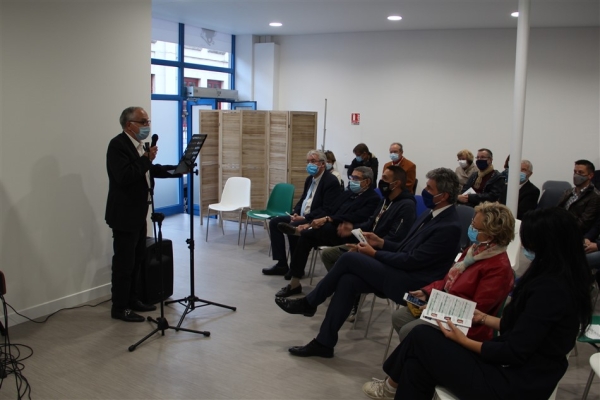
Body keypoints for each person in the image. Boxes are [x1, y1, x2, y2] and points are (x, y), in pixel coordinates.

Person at [363, 207, 593, 400]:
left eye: (528, 241)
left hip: (515, 383)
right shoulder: (552, 278)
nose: (523, 247)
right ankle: (391, 385)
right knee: (417, 360)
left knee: (421, 337)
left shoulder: (550, 290)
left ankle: (390, 385)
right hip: (511, 366)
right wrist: (482, 317)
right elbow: (523, 328)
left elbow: (513, 351)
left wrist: (462, 341)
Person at [274, 168, 461, 358]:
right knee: (348, 280)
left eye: (429, 188)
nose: (424, 192)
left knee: (349, 258)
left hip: (414, 286)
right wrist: (381, 243)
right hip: (401, 272)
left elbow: (412, 261)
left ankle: (309, 302)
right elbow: (405, 248)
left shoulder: (448, 226)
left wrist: (374, 254)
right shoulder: (431, 214)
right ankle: (324, 342)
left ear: (443, 195)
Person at [389, 201, 514, 349]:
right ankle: (419, 356)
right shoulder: (475, 250)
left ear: (491, 234)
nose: (471, 228)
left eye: (476, 227)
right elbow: (449, 280)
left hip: (464, 323)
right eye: (472, 223)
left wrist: (436, 308)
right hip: (446, 304)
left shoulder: (499, 268)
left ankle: (418, 360)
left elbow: (476, 310)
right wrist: (426, 292)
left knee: (410, 331)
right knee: (399, 318)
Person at [105, 106, 182, 322]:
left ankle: (133, 299)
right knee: (124, 263)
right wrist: (146, 158)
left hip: (139, 213)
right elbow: (125, 176)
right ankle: (119, 307)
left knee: (138, 259)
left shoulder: (139, 146)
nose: (147, 125)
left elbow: (150, 171)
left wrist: (177, 170)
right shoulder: (117, 145)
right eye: (143, 121)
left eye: (148, 121)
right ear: (129, 125)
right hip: (123, 215)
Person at [275, 167, 380, 297]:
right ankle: (294, 282)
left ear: (367, 181)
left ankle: (300, 231)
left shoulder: (373, 199)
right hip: (330, 232)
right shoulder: (347, 193)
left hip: (348, 234)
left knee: (326, 227)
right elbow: (330, 209)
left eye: (356, 178)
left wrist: (327, 219)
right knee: (305, 239)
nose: (352, 180)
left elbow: (356, 217)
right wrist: (309, 222)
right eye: (351, 177)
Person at [321, 165, 416, 272]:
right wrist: (352, 228)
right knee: (327, 254)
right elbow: (370, 223)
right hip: (367, 243)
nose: (381, 181)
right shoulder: (385, 200)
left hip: (381, 250)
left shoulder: (406, 206)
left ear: (396, 183)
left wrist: (367, 249)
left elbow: (395, 238)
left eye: (385, 178)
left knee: (344, 260)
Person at [262, 150, 341, 277]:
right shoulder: (310, 179)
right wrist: (295, 212)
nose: (310, 164)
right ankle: (281, 264)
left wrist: (304, 217)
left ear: (322, 164)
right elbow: (303, 199)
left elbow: (327, 209)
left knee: (293, 228)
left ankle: (295, 268)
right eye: (308, 161)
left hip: (315, 219)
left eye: (313, 161)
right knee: (275, 223)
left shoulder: (330, 181)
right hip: (302, 216)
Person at [557, 159, 600, 234]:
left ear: (590, 175)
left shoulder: (595, 196)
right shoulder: (568, 191)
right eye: (575, 172)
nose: (576, 175)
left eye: (580, 172)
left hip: (574, 234)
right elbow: (557, 211)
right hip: (559, 228)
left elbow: (583, 223)